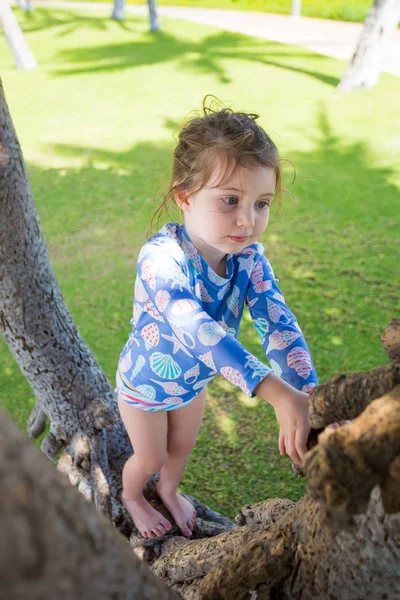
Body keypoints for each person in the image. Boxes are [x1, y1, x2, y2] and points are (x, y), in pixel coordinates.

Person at [115, 97, 318, 541]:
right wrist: (276, 394)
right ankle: (132, 496)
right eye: (230, 200)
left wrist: (309, 395)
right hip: (145, 385)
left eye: (262, 203)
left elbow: (278, 324)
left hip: (194, 383)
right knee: (148, 458)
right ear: (184, 196)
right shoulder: (160, 259)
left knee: (181, 449)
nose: (248, 220)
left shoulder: (249, 260)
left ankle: (169, 491)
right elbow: (197, 330)